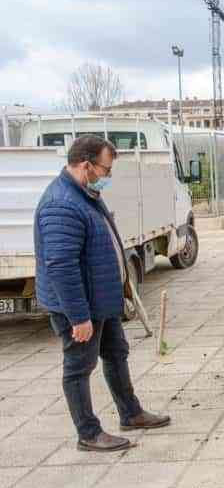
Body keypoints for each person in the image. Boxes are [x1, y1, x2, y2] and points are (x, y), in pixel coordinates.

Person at [34, 135, 171, 452]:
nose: (107, 176)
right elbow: (61, 265)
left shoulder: (84, 194)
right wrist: (78, 316)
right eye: (105, 169)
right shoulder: (62, 204)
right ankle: (88, 432)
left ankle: (131, 412)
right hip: (81, 307)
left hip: (101, 301)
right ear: (85, 165)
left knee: (115, 353)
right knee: (79, 366)